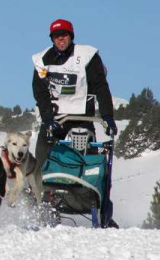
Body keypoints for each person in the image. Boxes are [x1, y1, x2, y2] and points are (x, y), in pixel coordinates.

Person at [32, 19, 117, 166]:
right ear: (52, 38)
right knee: (42, 160)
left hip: (82, 118)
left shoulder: (87, 56)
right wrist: (47, 119)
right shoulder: (42, 60)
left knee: (87, 162)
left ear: (71, 36)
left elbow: (101, 87)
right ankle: (42, 180)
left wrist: (107, 116)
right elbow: (40, 92)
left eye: (64, 35)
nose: (60, 38)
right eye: (56, 35)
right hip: (55, 119)